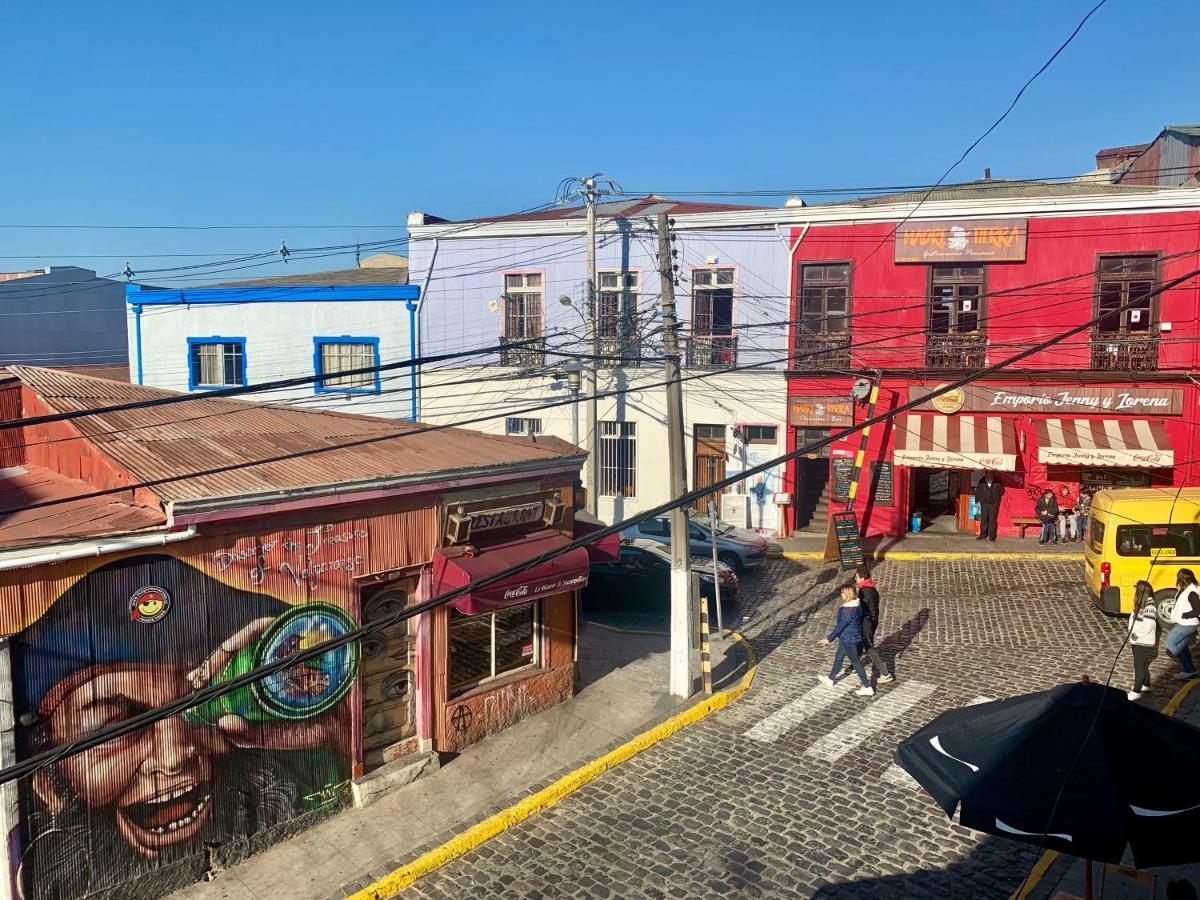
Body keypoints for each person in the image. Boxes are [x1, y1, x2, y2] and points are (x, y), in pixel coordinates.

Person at [819, 584, 874, 697]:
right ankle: (830, 679)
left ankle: (868, 687)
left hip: (849, 640)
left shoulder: (846, 611)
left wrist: (829, 639)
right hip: (850, 638)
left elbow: (839, 627)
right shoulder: (859, 605)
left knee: (856, 664)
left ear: (848, 594)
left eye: (842, 592)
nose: (841, 594)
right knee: (839, 657)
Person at [855, 565, 894, 684]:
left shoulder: (865, 591)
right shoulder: (869, 588)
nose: (855, 579)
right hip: (871, 621)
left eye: (856, 577)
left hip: (868, 622)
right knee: (860, 642)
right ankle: (855, 665)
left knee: (869, 647)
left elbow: (864, 609)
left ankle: (885, 673)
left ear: (862, 578)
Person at [1166, 569, 1200, 681]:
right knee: (1182, 646)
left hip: (1187, 624)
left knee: (1170, 644)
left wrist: (1183, 615)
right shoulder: (1188, 588)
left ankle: (1189, 669)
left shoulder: (1192, 592)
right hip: (1185, 623)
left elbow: (1197, 611)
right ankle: (1188, 670)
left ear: (1182, 579)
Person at [1127, 580, 1158, 701]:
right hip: (1138, 640)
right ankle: (1146, 684)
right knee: (1143, 664)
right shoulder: (1143, 602)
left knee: (1138, 666)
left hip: (1143, 641)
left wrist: (1135, 635)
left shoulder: (1150, 606)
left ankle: (1136, 691)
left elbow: (1148, 625)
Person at [974, 472, 1004, 542]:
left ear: (993, 474)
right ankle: (983, 535)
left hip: (993, 504)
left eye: (991, 473)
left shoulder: (998, 481)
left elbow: (1002, 491)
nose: (990, 475)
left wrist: (996, 498)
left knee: (992, 521)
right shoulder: (982, 481)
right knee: (984, 520)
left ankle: (992, 537)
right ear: (986, 474)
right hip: (984, 504)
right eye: (988, 473)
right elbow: (978, 492)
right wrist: (977, 501)